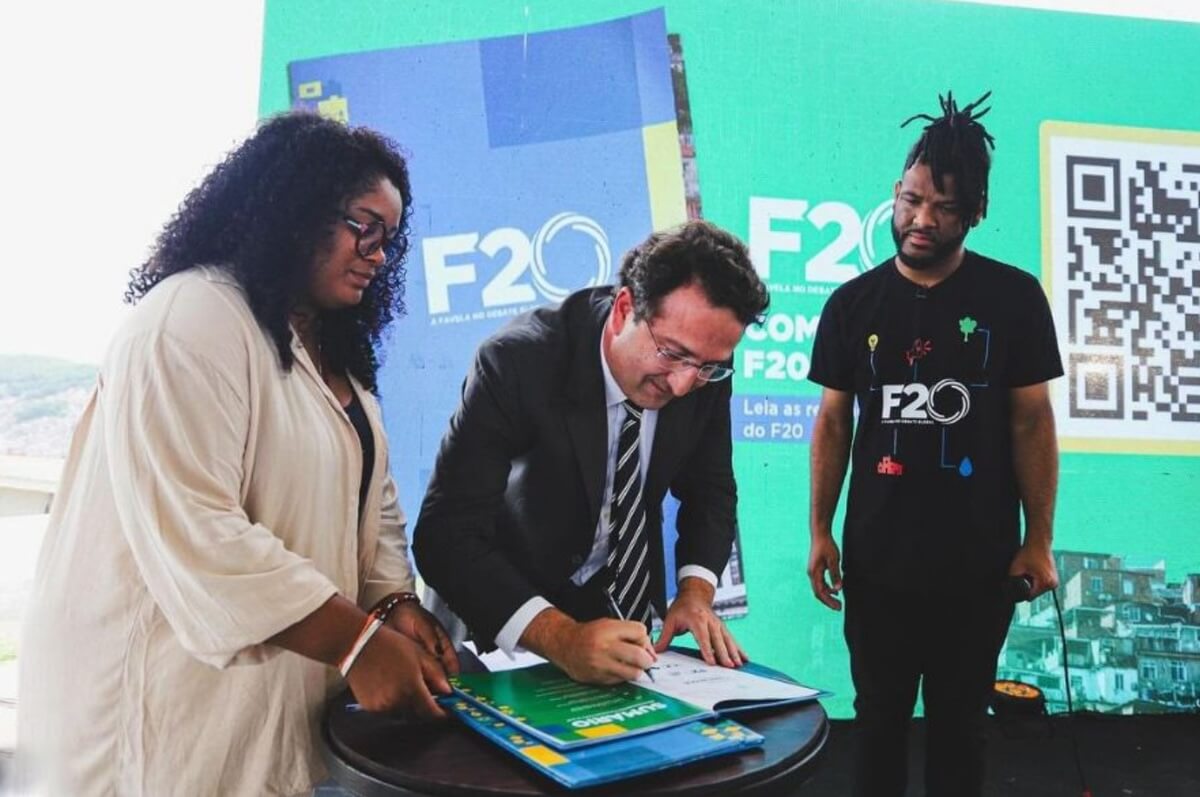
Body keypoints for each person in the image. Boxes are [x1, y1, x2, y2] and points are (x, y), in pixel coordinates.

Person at [17, 112, 459, 796]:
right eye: (363, 225)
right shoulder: (189, 317)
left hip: (260, 711)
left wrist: (392, 600)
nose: (378, 252)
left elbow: (374, 505)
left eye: (390, 240)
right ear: (294, 208)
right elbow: (200, 529)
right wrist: (356, 642)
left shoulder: (327, 350)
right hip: (156, 713)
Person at [806, 91, 1063, 797]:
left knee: (959, 729)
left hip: (978, 566)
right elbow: (834, 422)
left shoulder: (1014, 298)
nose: (921, 220)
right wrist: (819, 529)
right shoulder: (851, 303)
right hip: (876, 562)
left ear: (974, 211)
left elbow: (1032, 423)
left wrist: (1038, 538)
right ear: (895, 192)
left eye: (943, 207)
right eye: (911, 199)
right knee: (877, 723)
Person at [413, 220, 770, 684]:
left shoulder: (703, 359)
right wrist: (562, 638)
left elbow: (711, 490)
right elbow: (445, 535)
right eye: (673, 355)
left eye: (708, 367)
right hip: (499, 619)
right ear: (625, 310)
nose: (685, 384)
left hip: (615, 619)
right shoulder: (517, 362)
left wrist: (696, 592)